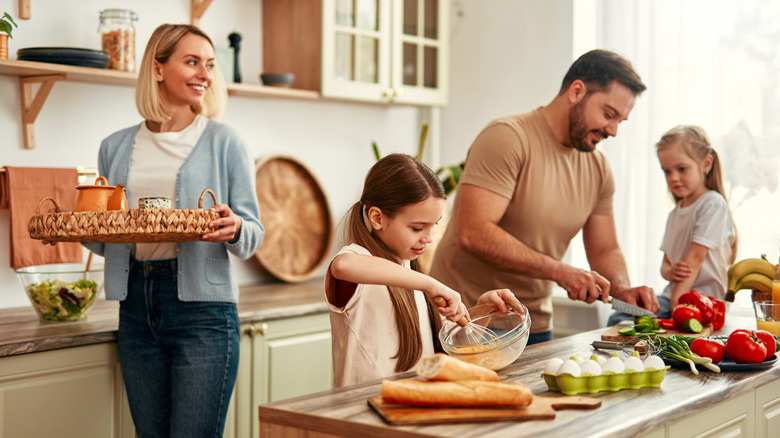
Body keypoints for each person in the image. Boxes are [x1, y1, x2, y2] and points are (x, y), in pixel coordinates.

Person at [85, 24, 263, 437]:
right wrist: (83, 226)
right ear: (158, 68)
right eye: (192, 61)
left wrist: (234, 228)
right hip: (135, 309)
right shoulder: (114, 146)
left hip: (203, 314)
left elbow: (253, 233)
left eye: (210, 64)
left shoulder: (225, 142)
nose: (205, 73)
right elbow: (105, 238)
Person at [429, 49, 658, 345]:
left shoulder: (598, 169)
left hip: (532, 326)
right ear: (576, 91)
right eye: (608, 114)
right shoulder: (508, 137)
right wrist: (560, 271)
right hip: (466, 321)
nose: (612, 130)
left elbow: (604, 248)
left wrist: (622, 289)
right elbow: (474, 233)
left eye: (620, 122)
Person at [325, 153, 523, 387]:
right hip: (361, 411)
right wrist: (429, 284)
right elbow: (342, 265)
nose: (428, 238)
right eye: (418, 228)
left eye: (434, 225)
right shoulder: (360, 263)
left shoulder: (410, 271)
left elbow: (453, 346)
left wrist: (483, 309)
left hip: (411, 407)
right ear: (377, 218)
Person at [608, 125, 736, 324]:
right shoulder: (675, 213)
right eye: (666, 171)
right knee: (621, 317)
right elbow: (665, 265)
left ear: (706, 164)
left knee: (623, 320)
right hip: (673, 296)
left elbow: (694, 260)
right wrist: (670, 271)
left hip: (704, 301)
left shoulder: (712, 204)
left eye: (681, 169)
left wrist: (678, 308)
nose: (673, 178)